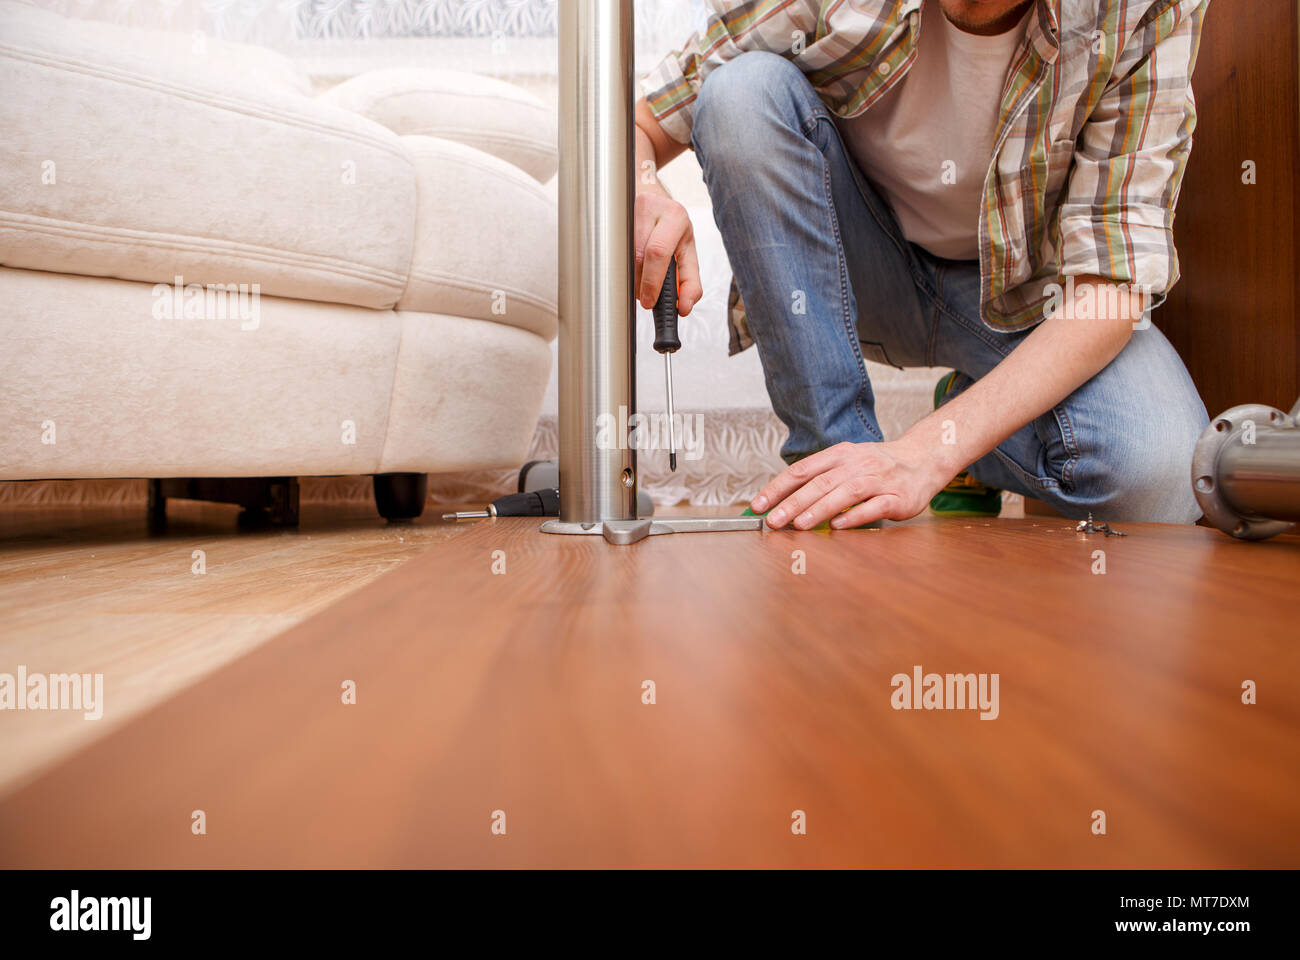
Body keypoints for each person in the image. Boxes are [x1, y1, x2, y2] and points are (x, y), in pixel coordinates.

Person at [632, 0, 1210, 529]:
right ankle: (835, 475)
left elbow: (1110, 287)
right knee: (739, 94)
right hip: (858, 273)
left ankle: (964, 424)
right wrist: (643, 190)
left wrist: (930, 449)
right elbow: (641, 124)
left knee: (1158, 481)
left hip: (1028, 297)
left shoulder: (1140, 9)